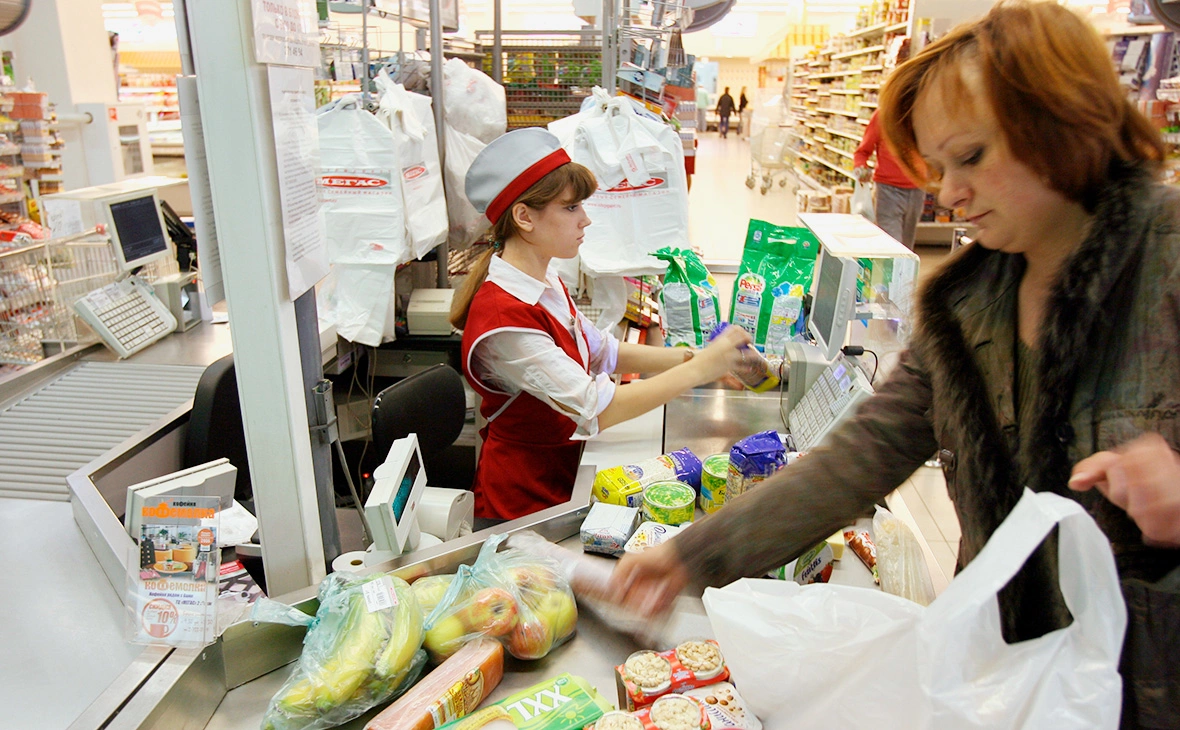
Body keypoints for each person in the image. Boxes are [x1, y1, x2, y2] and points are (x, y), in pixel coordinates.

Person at [611, 3, 1180, 725]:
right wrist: (695, 553)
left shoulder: (1167, 264)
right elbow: (864, 452)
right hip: (1003, 685)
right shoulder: (966, 307)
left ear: (1064, 123)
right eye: (937, 166)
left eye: (970, 157)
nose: (946, 193)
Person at [451, 128, 751, 522]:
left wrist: (694, 358)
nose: (586, 219)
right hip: (523, 505)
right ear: (524, 217)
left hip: (563, 477)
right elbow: (593, 408)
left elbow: (603, 351)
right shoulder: (504, 322)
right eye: (571, 208)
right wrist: (700, 368)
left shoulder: (544, 279)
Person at [853, 110, 926, 249]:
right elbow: (862, 151)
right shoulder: (883, 116)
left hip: (917, 189)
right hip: (888, 190)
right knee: (892, 246)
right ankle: (889, 269)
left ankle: (903, 271)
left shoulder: (923, 113)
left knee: (906, 246)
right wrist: (860, 167)